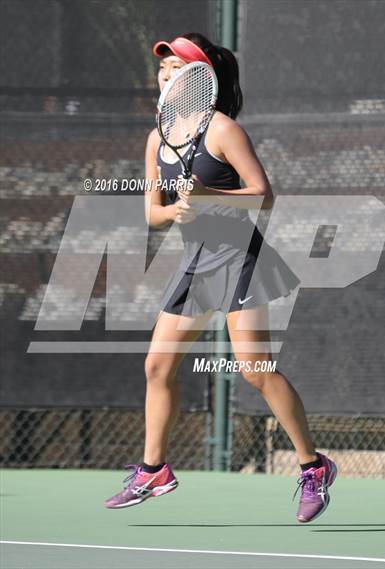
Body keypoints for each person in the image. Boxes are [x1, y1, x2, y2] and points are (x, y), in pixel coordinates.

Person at [105, 33, 337, 523]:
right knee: (156, 367)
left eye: (176, 69)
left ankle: (313, 467)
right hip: (195, 263)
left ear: (199, 78)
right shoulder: (158, 138)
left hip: (240, 261)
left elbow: (263, 195)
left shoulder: (224, 130)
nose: (165, 76)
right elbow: (152, 213)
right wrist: (176, 210)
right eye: (162, 70)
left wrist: (210, 193)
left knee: (255, 372)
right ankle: (153, 471)